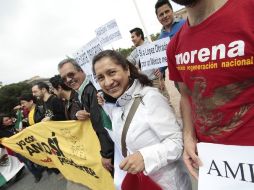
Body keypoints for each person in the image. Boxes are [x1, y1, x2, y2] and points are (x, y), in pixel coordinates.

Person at [167, 0, 254, 180]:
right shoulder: (174, 46)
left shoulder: (249, 12)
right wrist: (188, 137)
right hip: (214, 166)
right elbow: (186, 95)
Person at [92, 50, 191, 190]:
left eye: (112, 72)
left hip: (167, 185)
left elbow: (177, 142)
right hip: (141, 184)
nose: (107, 82)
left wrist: (145, 157)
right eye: (100, 77)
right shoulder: (117, 105)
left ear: (126, 70)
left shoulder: (150, 98)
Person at [58, 58, 114, 170]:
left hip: (112, 148)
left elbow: (101, 124)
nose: (68, 80)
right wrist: (77, 114)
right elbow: (76, 111)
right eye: (64, 79)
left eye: (71, 74)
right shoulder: (80, 91)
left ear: (81, 70)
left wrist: (107, 154)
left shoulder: (91, 90)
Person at [154, 0, 185, 83]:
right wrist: (160, 70)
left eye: (167, 11)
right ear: (158, 18)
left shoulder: (185, 24)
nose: (165, 16)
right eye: (161, 14)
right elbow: (164, 60)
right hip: (178, 79)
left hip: (195, 70)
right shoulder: (160, 40)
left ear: (172, 11)